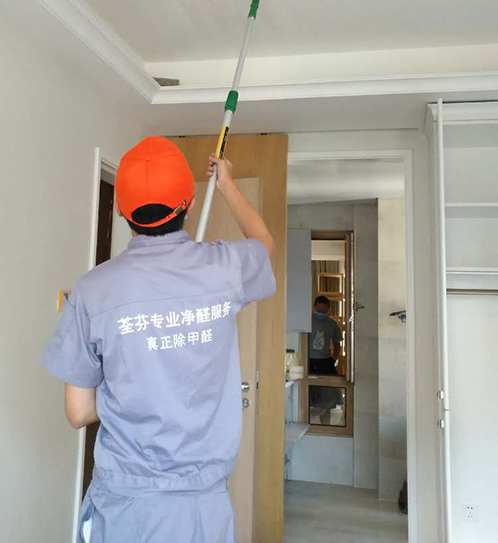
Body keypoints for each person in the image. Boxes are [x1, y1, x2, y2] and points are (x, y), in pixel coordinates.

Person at [42, 136, 275, 543]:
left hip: (125, 508)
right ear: (190, 204)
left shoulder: (93, 291)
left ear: (119, 209)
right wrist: (226, 184)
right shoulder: (224, 269)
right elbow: (264, 244)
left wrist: (135, 389)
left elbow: (78, 413)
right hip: (205, 509)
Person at [308, 295, 341, 375]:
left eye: (323, 311)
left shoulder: (332, 324)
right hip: (308, 359)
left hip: (325, 360)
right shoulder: (307, 321)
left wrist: (334, 359)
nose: (321, 313)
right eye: (319, 310)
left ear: (328, 309)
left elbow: (337, 343)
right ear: (314, 307)